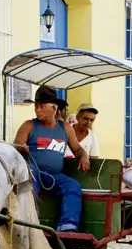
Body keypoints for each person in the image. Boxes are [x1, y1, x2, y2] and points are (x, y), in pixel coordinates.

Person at [14, 86, 90, 232]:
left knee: (73, 186)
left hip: (54, 176)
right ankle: (31, 221)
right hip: (33, 171)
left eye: (42, 106)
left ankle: (68, 226)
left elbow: (77, 150)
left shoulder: (65, 128)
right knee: (31, 174)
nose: (37, 110)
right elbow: (14, 151)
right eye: (36, 106)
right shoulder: (29, 125)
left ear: (54, 107)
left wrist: (84, 155)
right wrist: (20, 149)